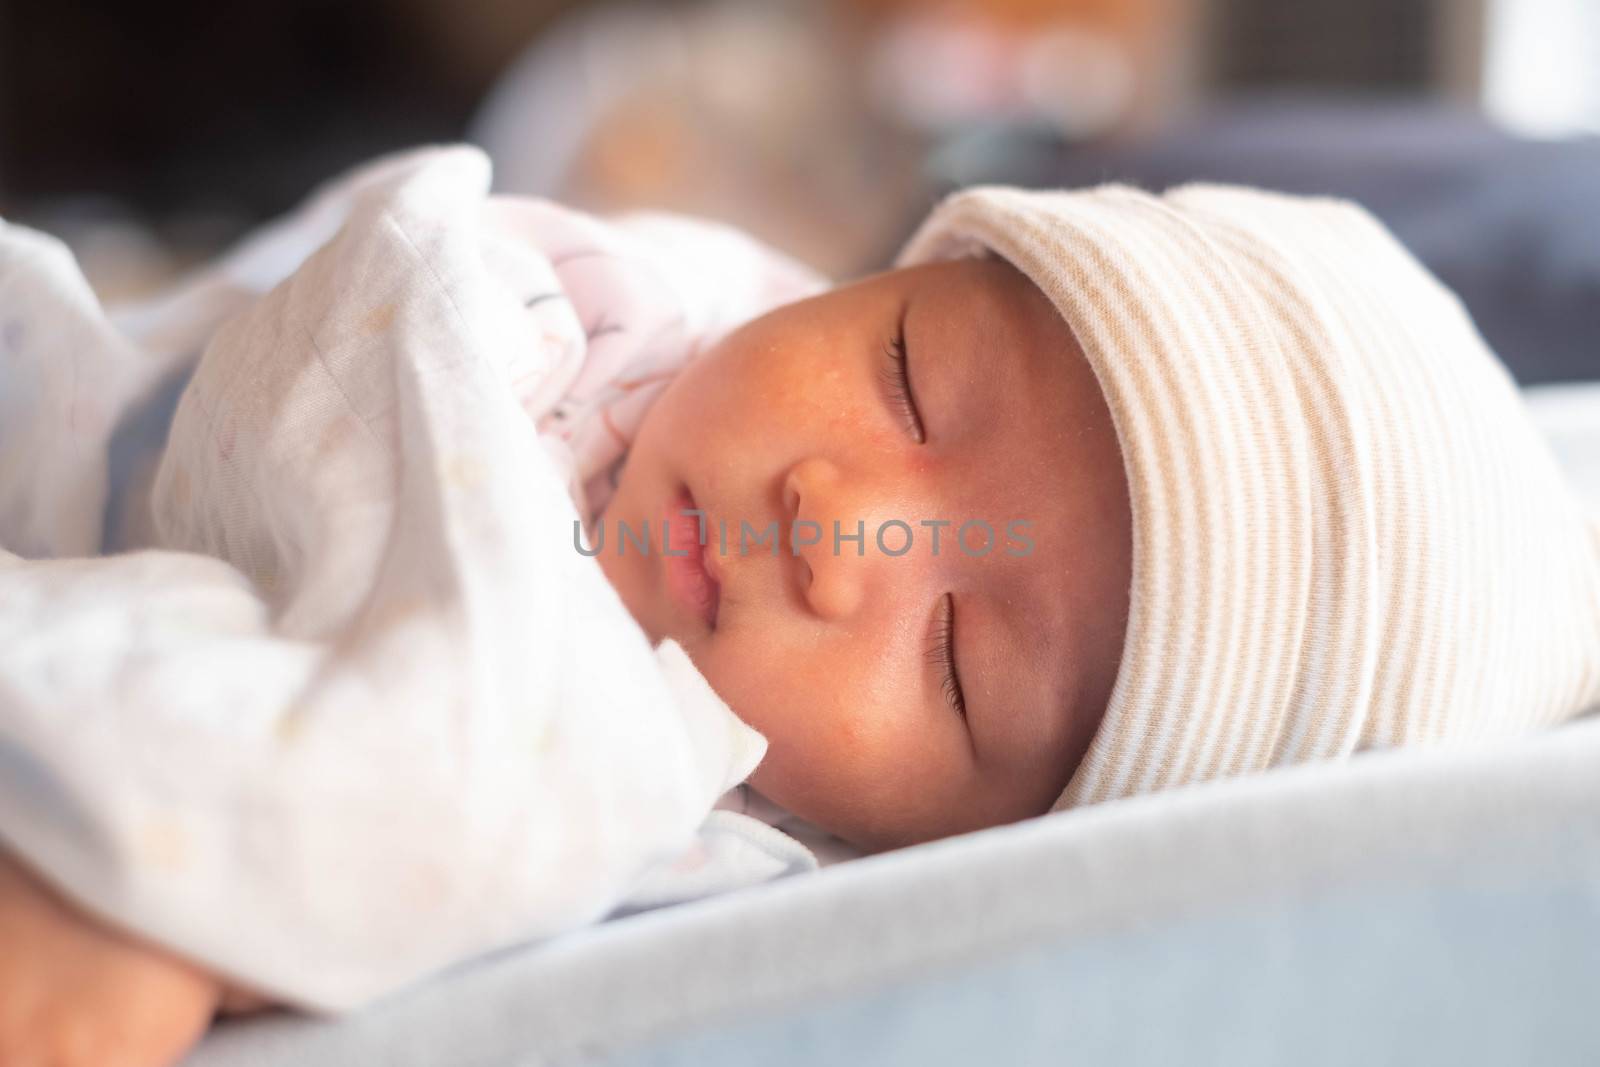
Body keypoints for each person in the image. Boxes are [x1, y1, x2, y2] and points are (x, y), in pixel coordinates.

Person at [1, 143, 1596, 1067]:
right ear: (889, 274)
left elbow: (489, 837)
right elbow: (364, 324)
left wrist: (217, 917)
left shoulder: (740, 837)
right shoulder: (612, 318)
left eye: (961, 659)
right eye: (907, 374)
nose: (842, 529)